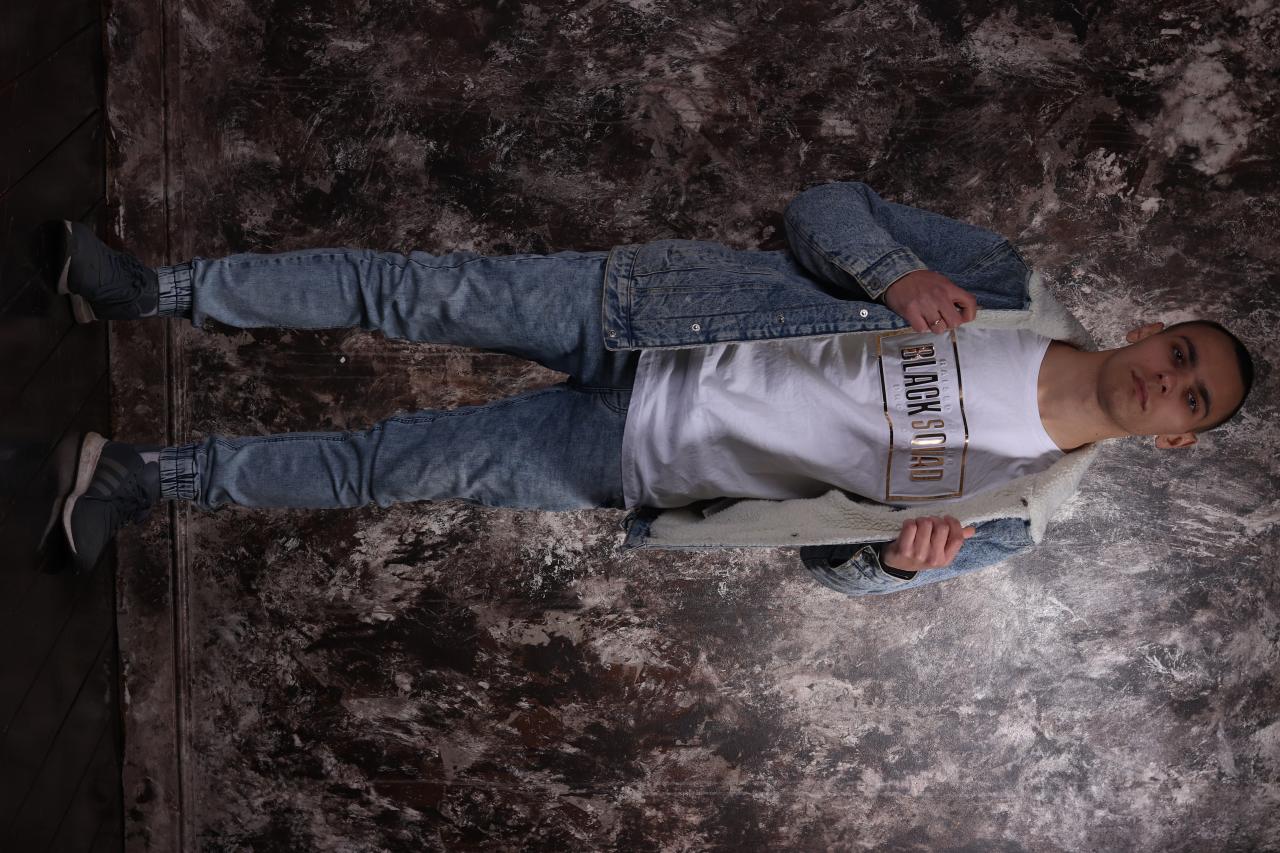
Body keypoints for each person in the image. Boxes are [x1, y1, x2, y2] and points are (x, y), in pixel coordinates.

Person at [38, 181, 1254, 594]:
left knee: (383, 463)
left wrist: (890, 567)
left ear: (1173, 441)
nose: (1167, 380)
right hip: (650, 312)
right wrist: (894, 272)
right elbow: (821, 207)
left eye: (1187, 400)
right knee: (401, 289)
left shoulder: (1017, 515)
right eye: (1180, 354)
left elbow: (829, 574)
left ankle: (138, 478)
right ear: (1153, 328)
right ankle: (144, 290)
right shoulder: (999, 282)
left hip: (637, 461)